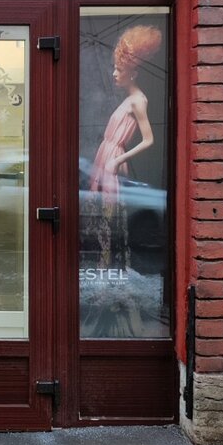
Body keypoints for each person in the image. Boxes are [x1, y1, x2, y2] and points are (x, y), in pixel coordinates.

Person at [89, 25, 161, 270]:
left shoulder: (138, 101)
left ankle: (109, 265)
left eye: (119, 69)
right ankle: (104, 263)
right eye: (115, 68)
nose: (114, 73)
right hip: (107, 155)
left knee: (109, 213)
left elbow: (149, 139)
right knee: (102, 212)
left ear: (133, 72)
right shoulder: (128, 100)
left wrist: (118, 160)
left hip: (113, 159)